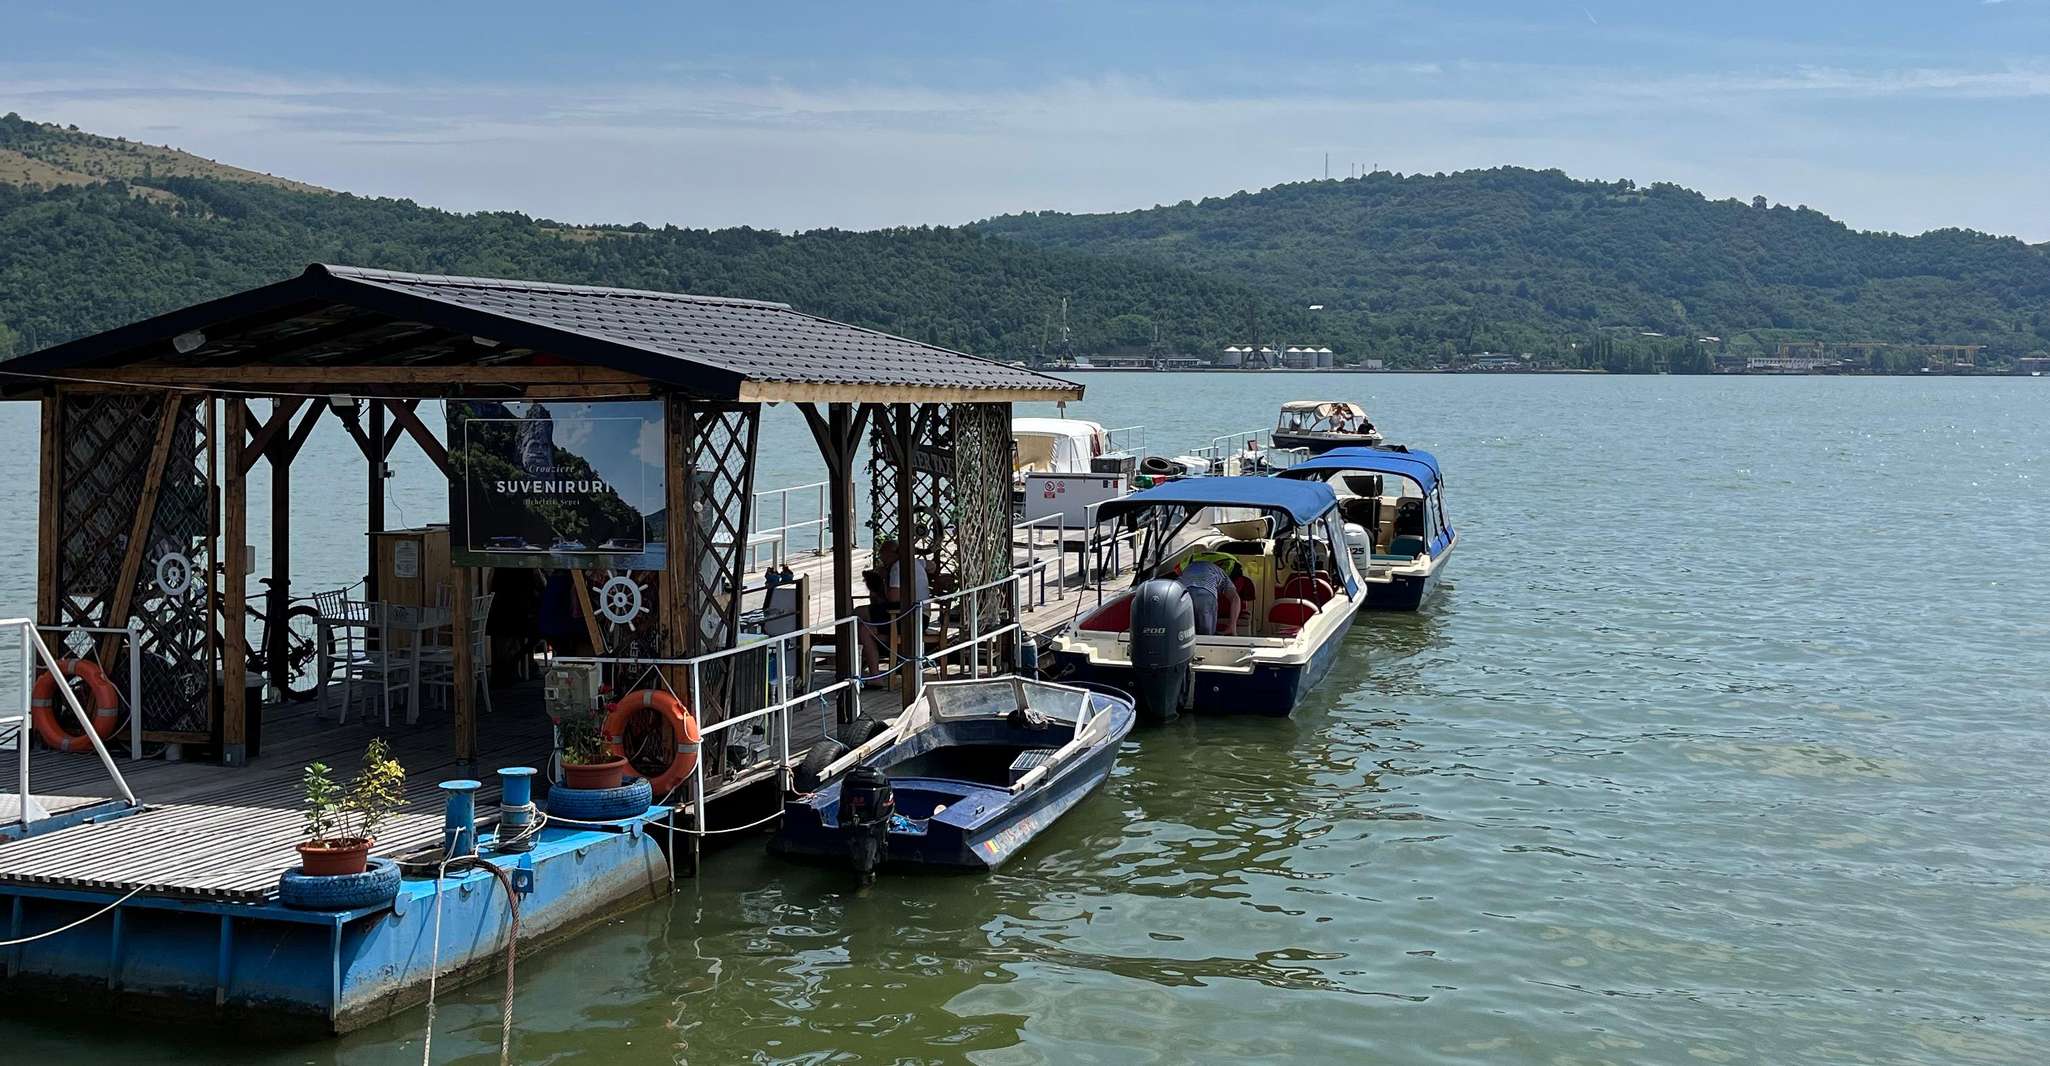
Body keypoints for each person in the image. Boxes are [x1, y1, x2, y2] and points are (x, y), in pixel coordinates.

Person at [860, 538, 930, 671]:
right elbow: (932, 565)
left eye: (883, 554)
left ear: (891, 554)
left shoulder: (898, 567)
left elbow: (893, 597)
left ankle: (870, 664)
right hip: (920, 616)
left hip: (908, 617)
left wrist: (885, 577)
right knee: (865, 626)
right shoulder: (915, 562)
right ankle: (881, 655)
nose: (882, 558)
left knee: (859, 616)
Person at [1176, 553, 1242, 636]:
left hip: (1182, 594)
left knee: (1185, 633)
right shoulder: (1222, 573)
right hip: (1205, 594)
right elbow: (1235, 598)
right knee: (1206, 636)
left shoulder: (1189, 567)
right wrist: (1232, 626)